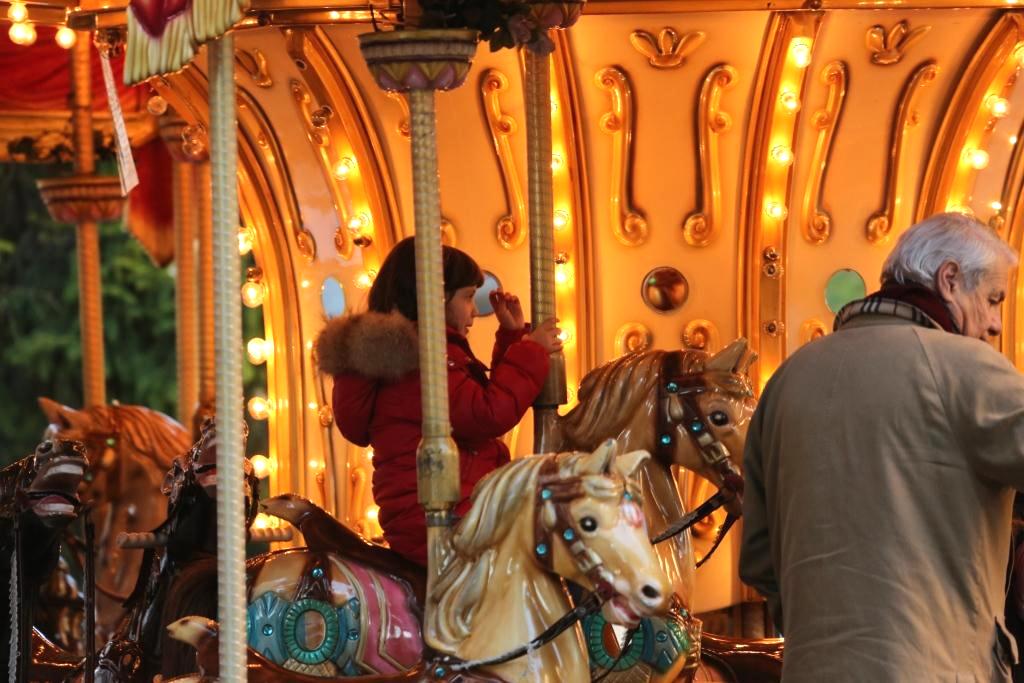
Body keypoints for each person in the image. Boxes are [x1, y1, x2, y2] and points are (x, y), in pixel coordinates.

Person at [740, 212, 1024, 681]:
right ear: (950, 279)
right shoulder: (966, 368)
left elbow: (758, 558)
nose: (995, 324)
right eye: (993, 299)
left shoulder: (787, 379)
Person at [315, 237, 561, 565]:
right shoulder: (423, 357)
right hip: (442, 509)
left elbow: (473, 406)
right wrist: (531, 350)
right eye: (468, 297)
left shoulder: (411, 353)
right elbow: (487, 413)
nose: (474, 310)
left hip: (436, 507)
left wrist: (512, 335)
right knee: (562, 531)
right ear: (437, 297)